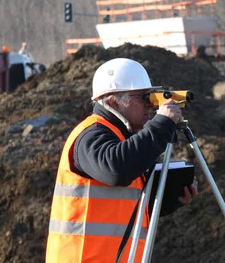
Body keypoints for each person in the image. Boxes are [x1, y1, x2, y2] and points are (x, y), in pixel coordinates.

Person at [45, 58, 198, 262]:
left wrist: (171, 199)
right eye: (143, 98)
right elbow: (116, 169)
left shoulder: (123, 139)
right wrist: (161, 125)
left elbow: (122, 207)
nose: (150, 106)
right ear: (113, 100)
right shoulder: (91, 135)